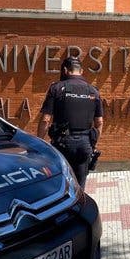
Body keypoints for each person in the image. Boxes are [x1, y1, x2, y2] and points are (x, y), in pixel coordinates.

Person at [37, 56, 103, 190]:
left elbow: (45, 119)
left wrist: (40, 143)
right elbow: (99, 122)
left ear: (65, 70)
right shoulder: (93, 91)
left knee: (61, 183)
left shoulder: (56, 88)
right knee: (80, 186)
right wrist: (93, 143)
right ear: (82, 71)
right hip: (85, 144)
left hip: (63, 144)